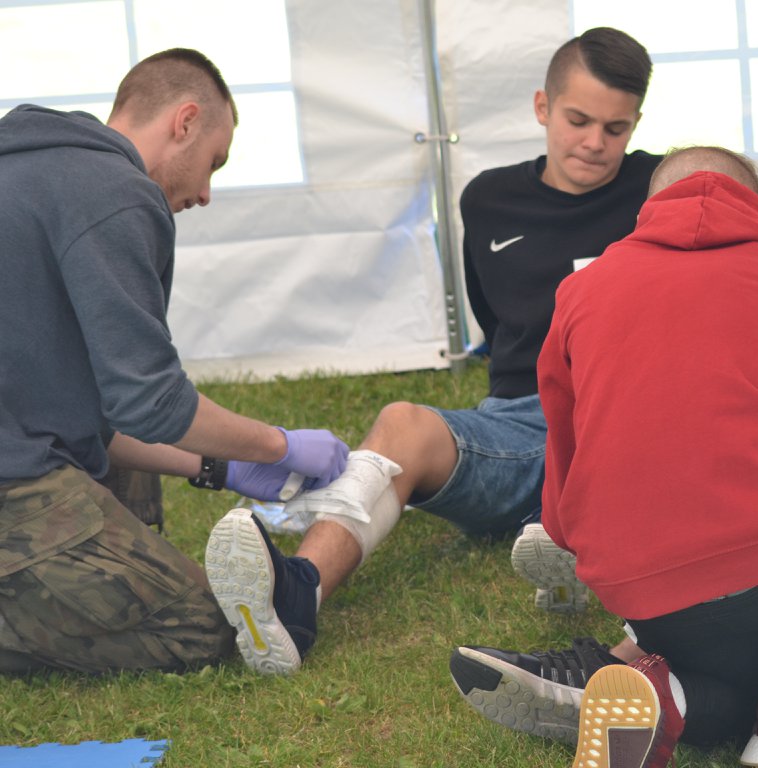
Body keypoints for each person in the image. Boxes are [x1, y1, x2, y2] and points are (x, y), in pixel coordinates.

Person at [457, 146, 758, 768]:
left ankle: (662, 695)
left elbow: (565, 440)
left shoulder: (579, 290)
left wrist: (572, 535)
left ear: (649, 207)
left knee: (738, 698)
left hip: (632, 582)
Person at [205, 26, 663, 674]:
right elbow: (499, 324)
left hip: (619, 423)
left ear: (636, 123)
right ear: (542, 107)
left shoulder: (661, 189)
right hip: (518, 428)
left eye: (615, 129)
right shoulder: (489, 199)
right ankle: (298, 594)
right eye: (578, 120)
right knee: (403, 424)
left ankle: (562, 529)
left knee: (631, 430)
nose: (594, 142)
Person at [0, 48, 349, 675]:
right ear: (184, 121)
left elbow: (97, 412)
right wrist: (278, 446)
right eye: (213, 162)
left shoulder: (35, 169)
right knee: (213, 626)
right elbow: (151, 402)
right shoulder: (115, 192)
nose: (206, 193)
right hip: (14, 480)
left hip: (18, 446)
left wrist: (222, 466)